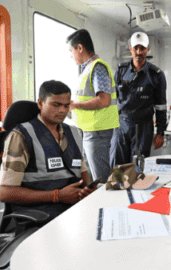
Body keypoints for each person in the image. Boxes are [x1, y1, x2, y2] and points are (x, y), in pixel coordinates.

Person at [0, 80, 98, 223]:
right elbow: (5, 193)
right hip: (41, 215)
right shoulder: (21, 136)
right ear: (40, 103)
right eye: (56, 105)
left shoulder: (74, 133)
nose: (63, 111)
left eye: (66, 105)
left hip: (74, 210)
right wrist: (57, 196)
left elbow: (82, 174)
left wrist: (88, 189)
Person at [66, 29, 118, 182]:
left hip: (97, 132)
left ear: (80, 48)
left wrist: (75, 106)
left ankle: (105, 205)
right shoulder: (87, 69)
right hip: (89, 131)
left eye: (72, 51)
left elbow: (103, 100)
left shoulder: (97, 68)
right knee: (91, 176)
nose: (71, 55)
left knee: (100, 179)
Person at [111, 32, 167, 167]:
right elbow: (112, 100)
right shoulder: (120, 71)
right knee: (117, 165)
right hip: (121, 125)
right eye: (135, 48)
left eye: (142, 48)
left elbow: (161, 106)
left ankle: (136, 187)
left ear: (148, 49)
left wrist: (160, 132)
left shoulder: (156, 75)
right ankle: (119, 188)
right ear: (130, 49)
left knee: (138, 167)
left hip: (143, 127)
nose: (138, 52)